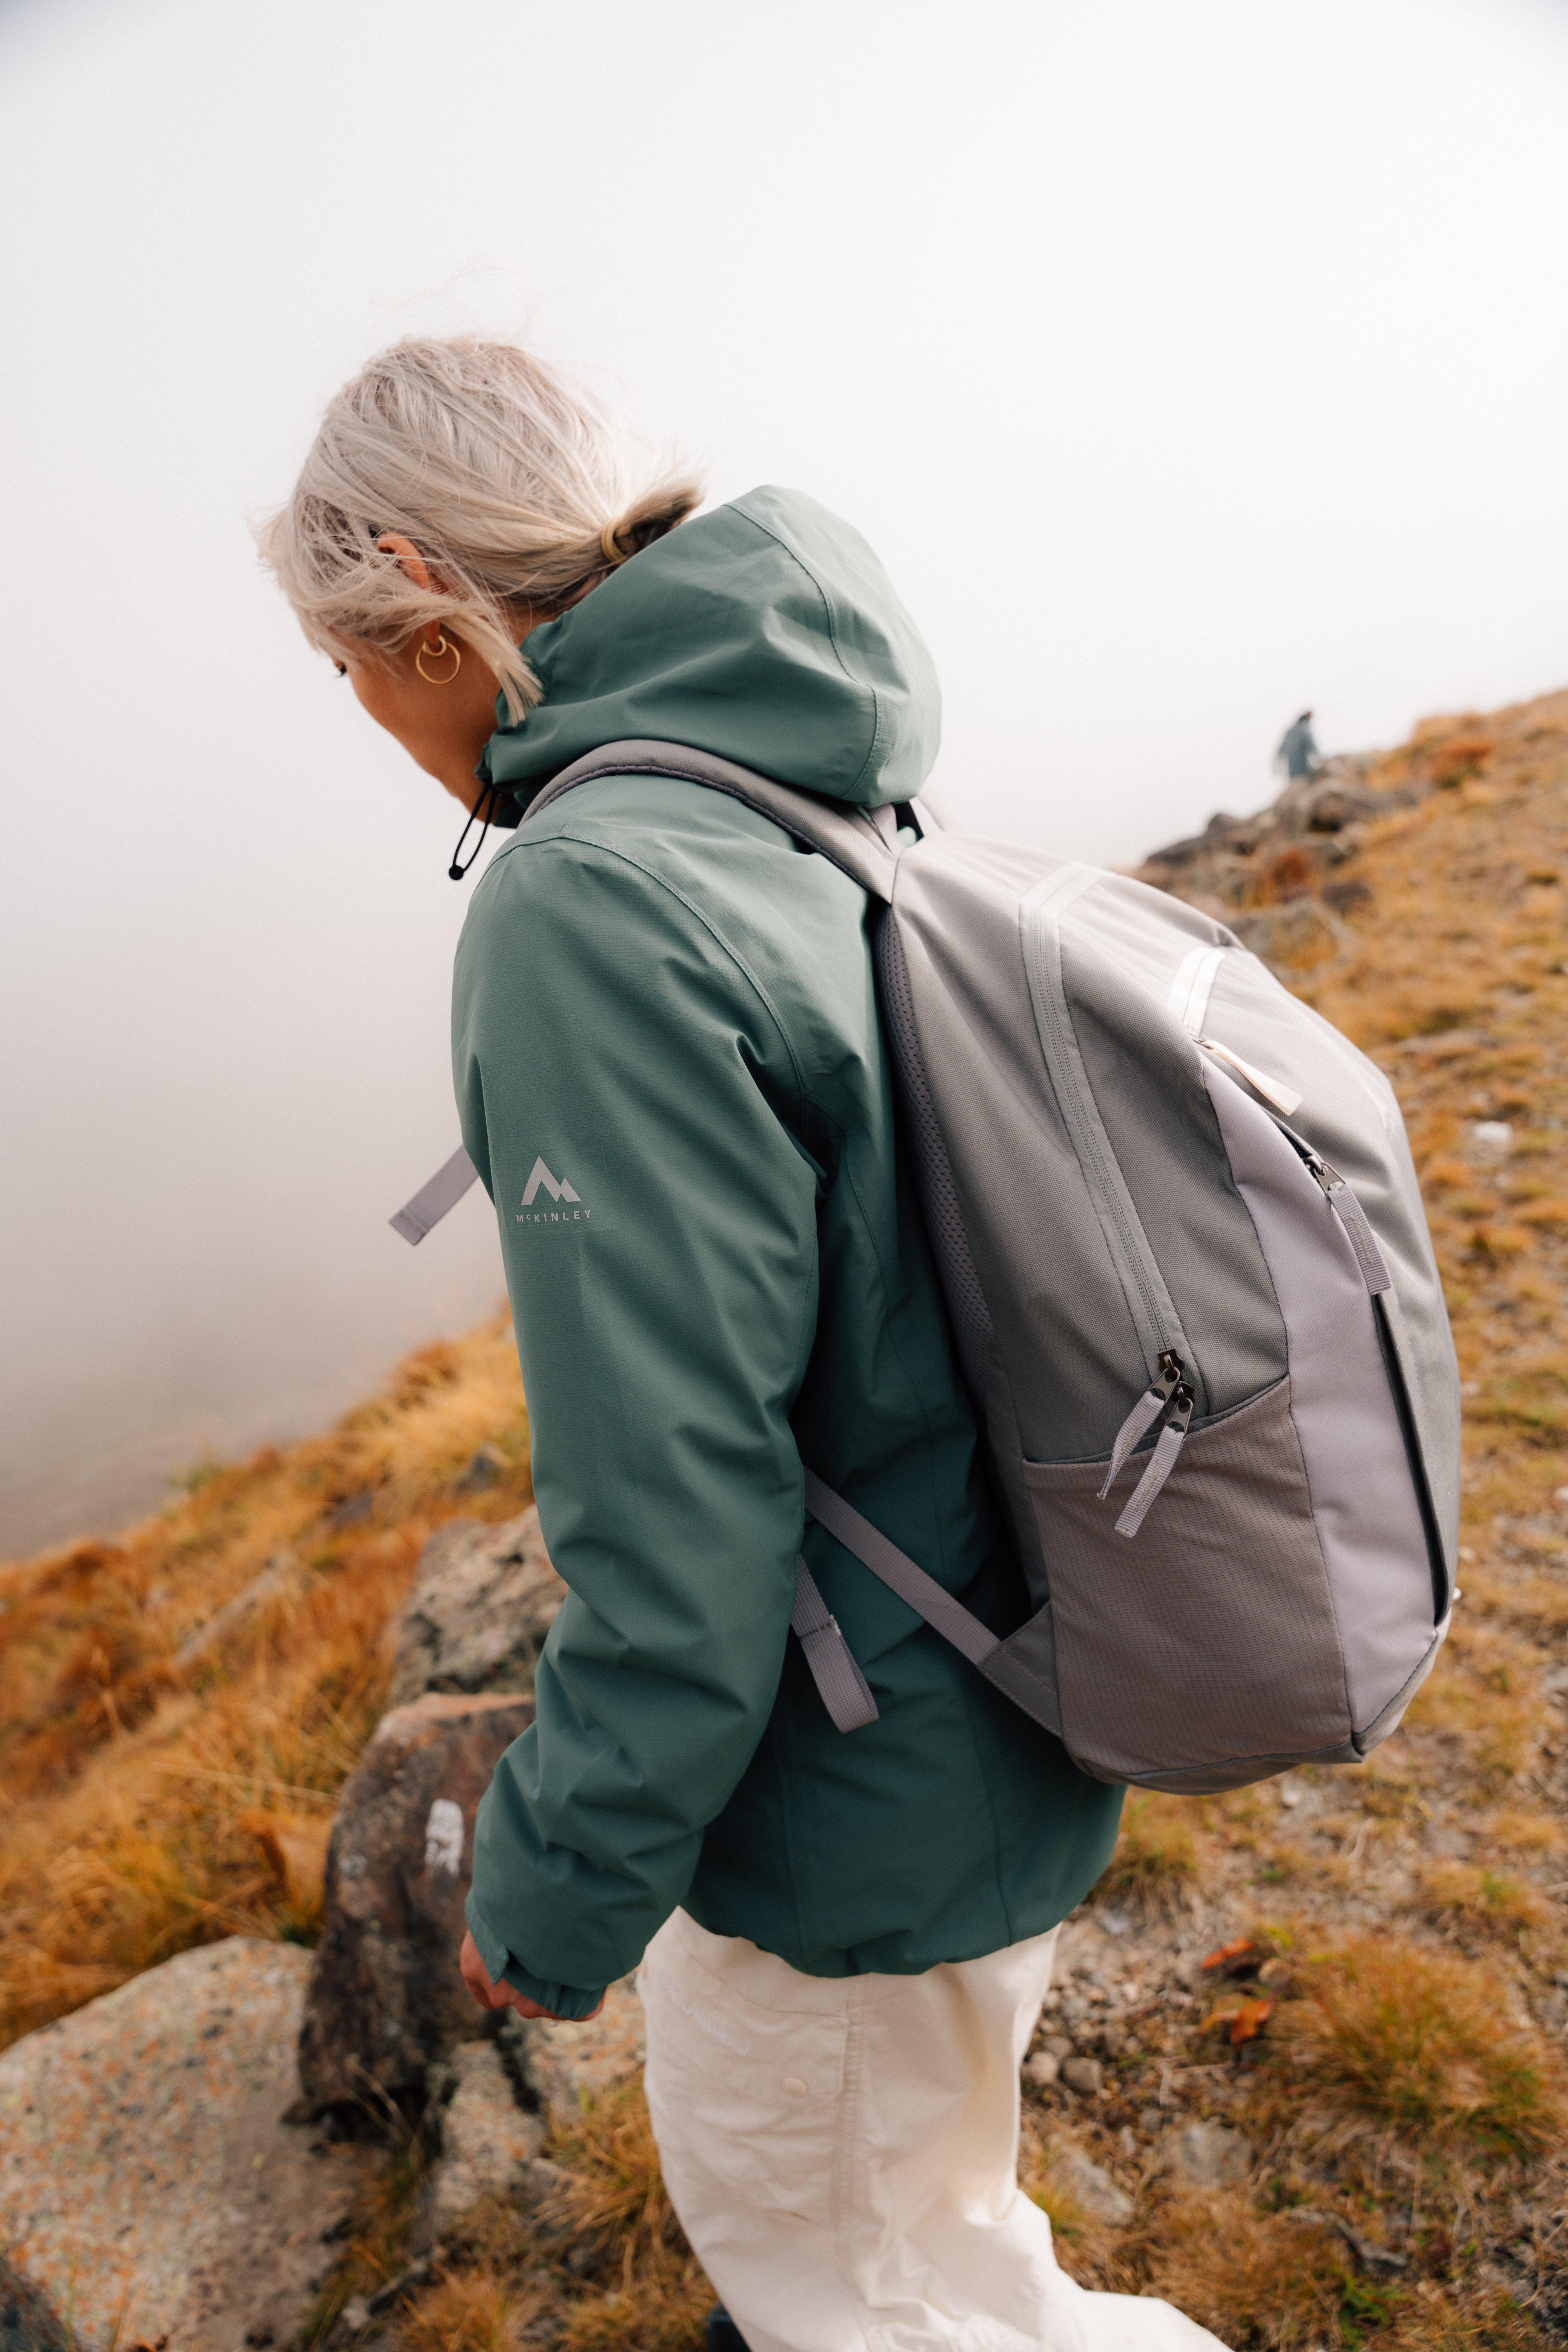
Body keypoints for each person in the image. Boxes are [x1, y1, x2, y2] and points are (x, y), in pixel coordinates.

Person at [261, 336, 1228, 2352]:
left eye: (343, 655)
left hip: (849, 1796)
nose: (352, 709)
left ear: (422, 600)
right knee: (939, 2247)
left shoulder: (591, 901)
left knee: (872, 2303)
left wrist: (547, 1891)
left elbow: (680, 1507)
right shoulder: (809, 765)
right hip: (1008, 1683)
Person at [1274, 708, 1320, 782]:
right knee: (1303, 781)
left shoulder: (1291, 731)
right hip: (1301, 765)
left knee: (1295, 781)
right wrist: (1320, 759)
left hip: (1292, 767)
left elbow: (1282, 749)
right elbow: (1312, 746)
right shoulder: (1304, 729)